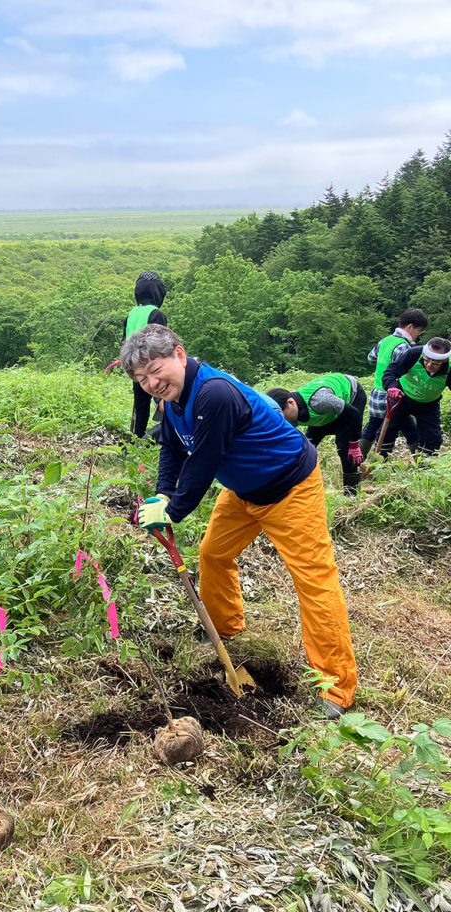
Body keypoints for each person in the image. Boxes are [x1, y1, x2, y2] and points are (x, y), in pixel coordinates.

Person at [121, 325, 357, 719]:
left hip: (289, 487)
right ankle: (225, 624)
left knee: (314, 580)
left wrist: (174, 510)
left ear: (179, 354)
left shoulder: (214, 393)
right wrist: (163, 492)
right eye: (142, 379)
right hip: (242, 491)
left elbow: (204, 461)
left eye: (156, 370)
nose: (152, 383)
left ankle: (334, 686)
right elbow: (174, 447)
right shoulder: (170, 400)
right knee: (214, 554)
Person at [267, 374, 367, 494]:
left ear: (291, 403)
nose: (284, 423)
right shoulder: (291, 411)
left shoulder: (320, 402)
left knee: (345, 448)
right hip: (323, 413)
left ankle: (352, 494)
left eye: (284, 418)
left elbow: (354, 414)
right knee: (306, 448)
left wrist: (354, 444)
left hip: (352, 397)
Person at [360, 308, 427, 458]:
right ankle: (421, 465)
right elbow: (408, 369)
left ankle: (356, 462)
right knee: (410, 429)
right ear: (410, 327)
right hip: (393, 396)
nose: (418, 334)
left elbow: (371, 358)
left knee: (372, 427)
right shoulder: (403, 346)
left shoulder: (385, 341)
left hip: (377, 393)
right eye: (418, 330)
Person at [380, 337, 451, 456]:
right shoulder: (415, 353)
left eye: (435, 363)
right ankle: (381, 462)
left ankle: (424, 470)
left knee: (432, 438)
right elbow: (391, 371)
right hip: (402, 397)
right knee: (388, 430)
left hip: (429, 404)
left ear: (444, 360)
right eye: (426, 360)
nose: (429, 365)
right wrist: (392, 386)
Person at [123, 271, 168, 439]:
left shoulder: (131, 314)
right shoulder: (156, 314)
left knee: (140, 406)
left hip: (136, 369)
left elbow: (124, 341)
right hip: (154, 369)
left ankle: (135, 438)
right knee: (164, 402)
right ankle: (162, 437)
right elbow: (162, 345)